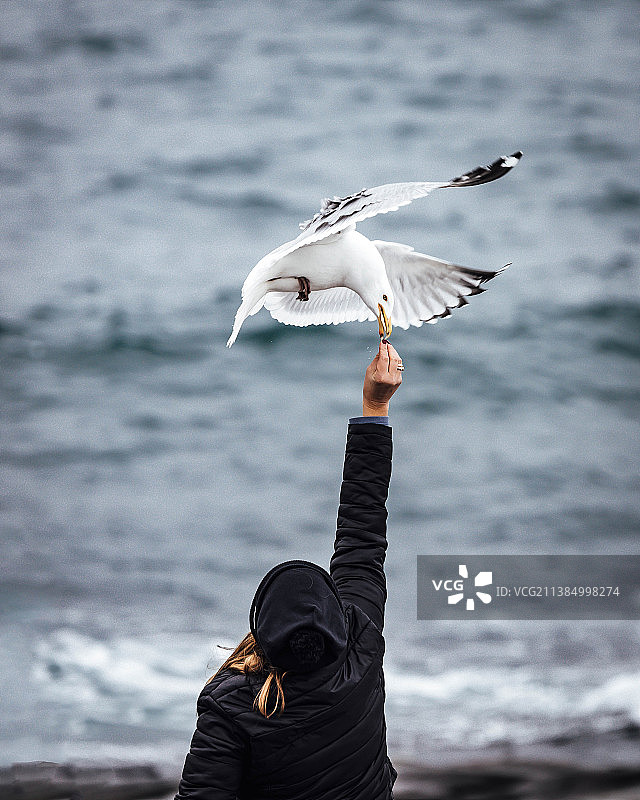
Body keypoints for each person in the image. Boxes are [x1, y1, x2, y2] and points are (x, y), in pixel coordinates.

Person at [175, 340, 404, 800]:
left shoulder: (233, 710)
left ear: (261, 633)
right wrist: (375, 405)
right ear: (336, 620)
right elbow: (362, 535)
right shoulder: (362, 646)